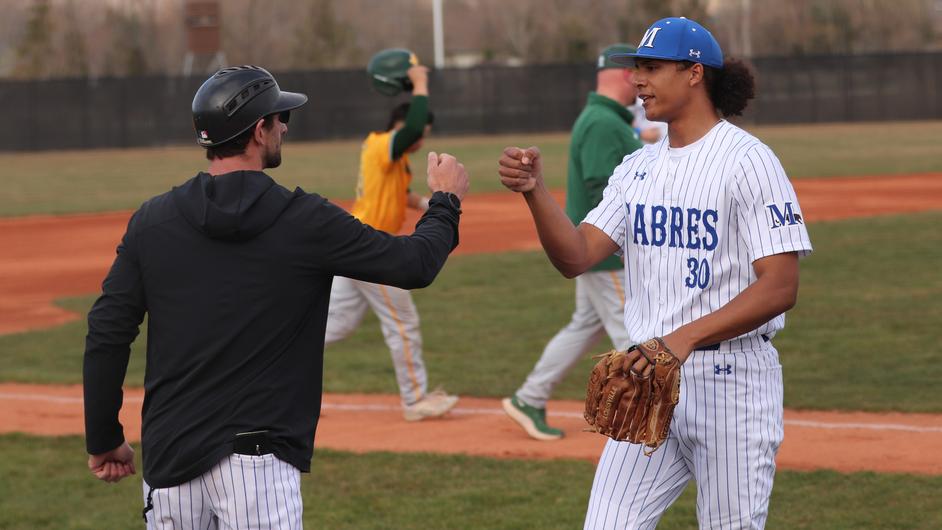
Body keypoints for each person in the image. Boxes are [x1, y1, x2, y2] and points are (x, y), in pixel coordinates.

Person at [83, 64, 468, 528]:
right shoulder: (305, 220)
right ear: (259, 130)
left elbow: (107, 332)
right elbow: (415, 264)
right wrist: (445, 201)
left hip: (170, 459)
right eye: (279, 118)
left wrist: (103, 437)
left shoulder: (152, 221)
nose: (284, 126)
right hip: (258, 465)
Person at [498, 17, 812, 529]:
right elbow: (576, 256)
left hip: (733, 384)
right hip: (650, 382)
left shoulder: (749, 161)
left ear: (694, 73)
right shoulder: (638, 166)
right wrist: (536, 191)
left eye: (651, 67)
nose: (638, 79)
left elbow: (780, 285)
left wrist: (680, 340)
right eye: (636, 68)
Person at [501, 44, 643, 441]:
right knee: (635, 339)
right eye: (641, 69)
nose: (644, 78)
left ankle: (529, 397)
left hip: (596, 254)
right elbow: (604, 189)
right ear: (626, 74)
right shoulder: (603, 122)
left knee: (583, 327)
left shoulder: (604, 117)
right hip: (606, 255)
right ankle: (655, 417)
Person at [324, 64, 460, 421]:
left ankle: (272, 377)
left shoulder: (393, 159)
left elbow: (404, 195)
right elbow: (412, 126)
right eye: (420, 135)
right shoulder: (384, 144)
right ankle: (415, 401)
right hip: (371, 246)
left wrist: (433, 203)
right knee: (403, 323)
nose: (420, 141)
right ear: (401, 127)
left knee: (333, 324)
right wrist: (420, 83)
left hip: (351, 244)